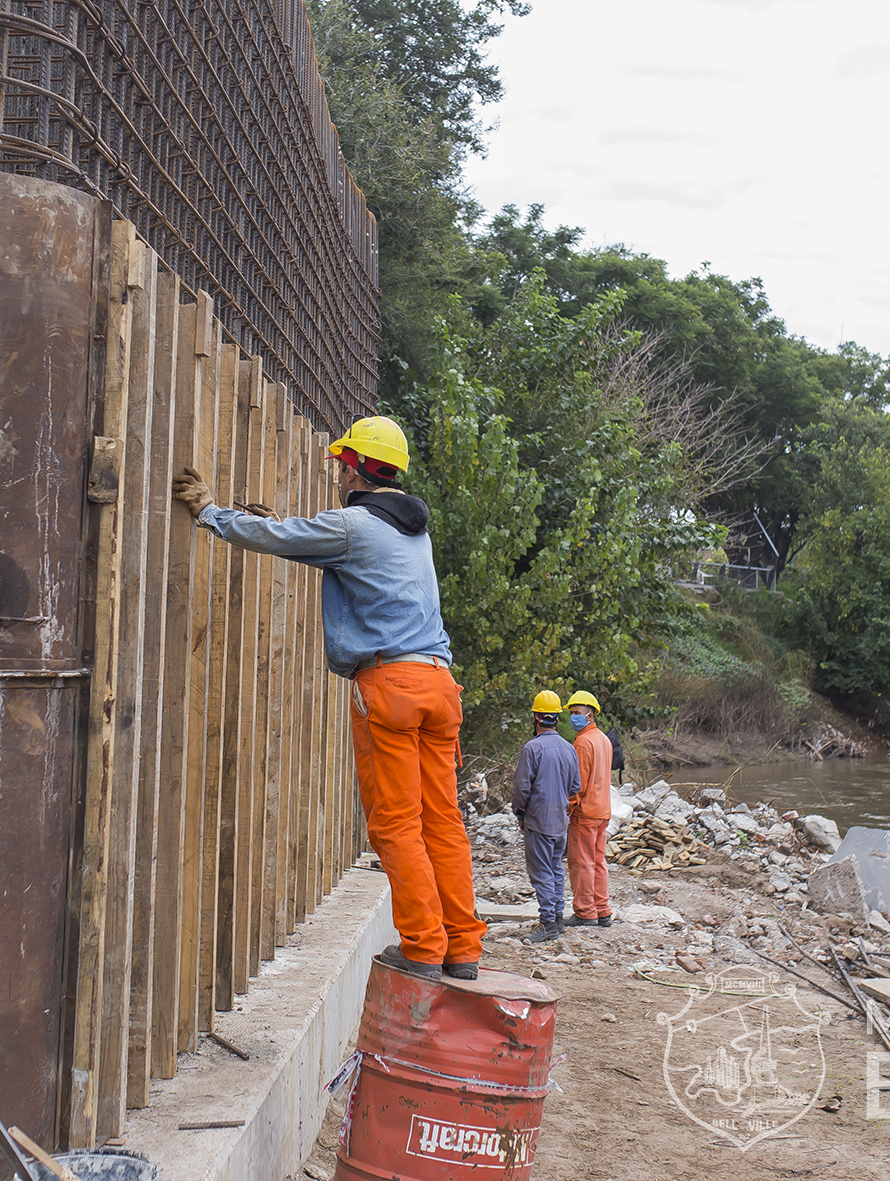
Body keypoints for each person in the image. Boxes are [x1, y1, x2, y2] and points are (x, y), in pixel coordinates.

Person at [173, 415, 485, 982]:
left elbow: (286, 541)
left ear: (357, 469)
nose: (339, 474)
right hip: (440, 685)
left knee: (395, 825)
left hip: (391, 687)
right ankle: (461, 948)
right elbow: (322, 547)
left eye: (343, 465)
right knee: (442, 821)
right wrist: (283, 527)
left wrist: (212, 513)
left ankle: (423, 946)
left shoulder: (352, 525)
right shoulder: (413, 530)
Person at [511, 691, 580, 944]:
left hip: (538, 820)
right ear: (557, 718)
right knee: (555, 869)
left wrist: (520, 812)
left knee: (542, 873)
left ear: (537, 717)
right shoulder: (569, 748)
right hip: (560, 821)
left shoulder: (532, 748)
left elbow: (521, 788)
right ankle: (558, 919)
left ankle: (548, 923)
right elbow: (575, 786)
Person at [562, 690, 615, 928]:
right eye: (572, 712)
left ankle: (585, 911)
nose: (573, 716)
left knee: (581, 862)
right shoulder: (603, 739)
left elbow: (578, 783)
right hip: (602, 810)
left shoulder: (583, 742)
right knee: (598, 861)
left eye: (577, 712)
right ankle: (602, 909)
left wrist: (569, 807)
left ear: (590, 715)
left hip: (585, 813)